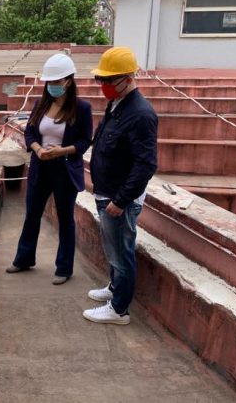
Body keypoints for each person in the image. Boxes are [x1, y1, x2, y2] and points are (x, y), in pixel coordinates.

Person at [83, 46, 158, 325]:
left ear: (128, 78)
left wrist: (120, 201)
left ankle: (119, 310)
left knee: (122, 254)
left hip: (119, 201)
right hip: (107, 194)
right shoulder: (118, 106)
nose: (103, 86)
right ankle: (114, 289)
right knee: (113, 250)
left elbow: (146, 165)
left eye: (108, 80)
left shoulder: (140, 114)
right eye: (100, 80)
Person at [5, 53, 93, 285]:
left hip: (64, 170)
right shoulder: (40, 104)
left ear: (69, 81)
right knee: (32, 214)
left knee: (66, 220)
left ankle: (64, 268)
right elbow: (30, 131)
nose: (53, 86)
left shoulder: (82, 109)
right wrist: (36, 149)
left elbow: (85, 140)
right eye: (50, 82)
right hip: (40, 167)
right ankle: (24, 259)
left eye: (57, 82)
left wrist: (62, 151)